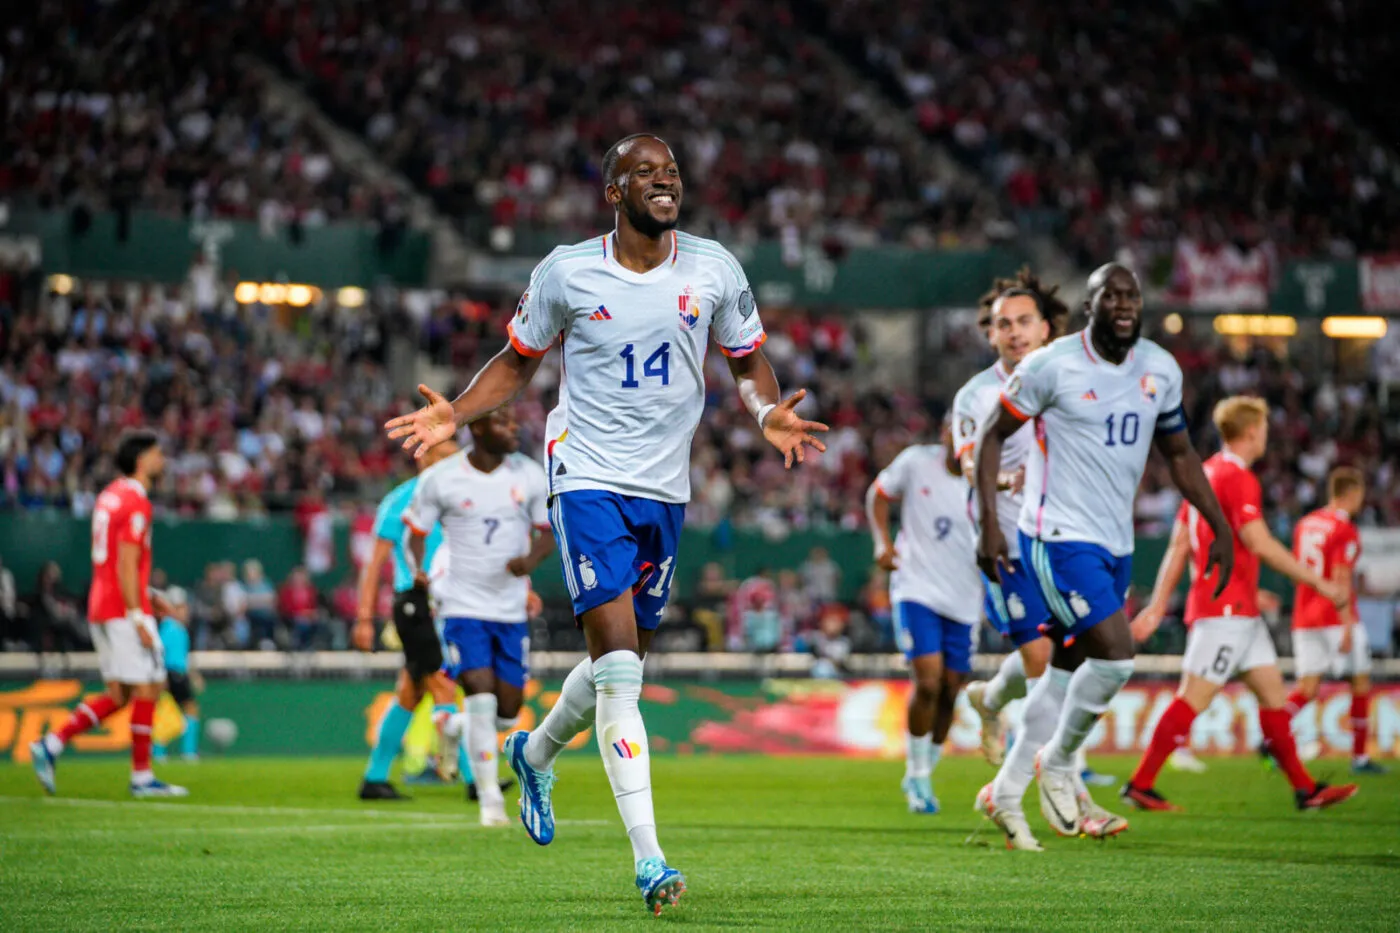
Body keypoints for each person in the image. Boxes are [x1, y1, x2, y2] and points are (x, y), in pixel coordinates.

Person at [385, 133, 826, 915]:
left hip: (666, 489)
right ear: (613, 191)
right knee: (623, 673)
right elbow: (518, 361)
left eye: (672, 172)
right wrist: (455, 409)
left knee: (620, 664)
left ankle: (534, 749)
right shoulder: (567, 270)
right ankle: (651, 860)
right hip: (585, 476)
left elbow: (748, 359)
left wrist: (765, 413)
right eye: (645, 173)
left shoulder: (716, 267)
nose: (665, 182)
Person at [973, 263, 1233, 850]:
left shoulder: (1160, 370)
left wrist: (1217, 522)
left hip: (1115, 543)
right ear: (1091, 305)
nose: (1122, 303)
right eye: (1109, 294)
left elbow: (1181, 453)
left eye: (1131, 295)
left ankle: (1005, 791)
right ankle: (1060, 763)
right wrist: (989, 524)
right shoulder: (1052, 365)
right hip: (1056, 537)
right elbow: (991, 434)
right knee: (1116, 656)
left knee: (1063, 674)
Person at [1123, 398, 1358, 811]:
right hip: (1224, 612)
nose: (1266, 435)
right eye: (1264, 428)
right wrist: (1321, 584)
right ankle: (1141, 783)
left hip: (1238, 611)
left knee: (1273, 697)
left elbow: (1180, 544)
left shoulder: (1203, 473)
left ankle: (1305, 789)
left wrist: (1159, 604)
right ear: (1252, 432)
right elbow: (1259, 542)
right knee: (1193, 697)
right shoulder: (1237, 477)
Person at [404, 407, 554, 826]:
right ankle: (490, 800)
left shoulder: (527, 475)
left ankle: (452, 727)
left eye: (513, 421)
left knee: (507, 711)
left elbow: (548, 531)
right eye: (504, 422)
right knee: (483, 698)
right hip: (461, 605)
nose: (514, 427)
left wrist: (529, 563)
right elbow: (414, 533)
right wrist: (418, 569)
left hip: (508, 608)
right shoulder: (443, 477)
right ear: (478, 428)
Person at [30, 429, 188, 797]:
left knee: (119, 694)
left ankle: (52, 744)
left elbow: (116, 561)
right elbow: (127, 564)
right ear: (141, 460)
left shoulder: (108, 497)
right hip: (122, 608)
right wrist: (139, 614)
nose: (161, 460)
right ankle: (142, 777)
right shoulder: (137, 502)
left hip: (101, 604)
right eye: (157, 453)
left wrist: (151, 595)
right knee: (151, 685)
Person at [954, 270, 1068, 768]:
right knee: (1043, 658)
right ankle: (1056, 772)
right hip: (1006, 544)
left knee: (1064, 657)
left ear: (1046, 328)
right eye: (1005, 324)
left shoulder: (1071, 384)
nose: (1015, 332)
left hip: (1065, 539)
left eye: (1025, 321)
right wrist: (1005, 480)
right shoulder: (976, 396)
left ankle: (991, 699)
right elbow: (967, 461)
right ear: (991, 333)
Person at [867, 423, 982, 814]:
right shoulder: (916, 462)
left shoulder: (986, 479)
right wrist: (882, 542)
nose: (957, 437)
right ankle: (916, 774)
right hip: (915, 588)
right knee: (929, 683)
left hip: (966, 597)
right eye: (954, 427)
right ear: (945, 432)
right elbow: (878, 495)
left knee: (952, 688)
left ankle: (925, 770)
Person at [352, 439, 463, 801]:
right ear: (424, 457)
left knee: (409, 694)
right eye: (445, 456)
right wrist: (364, 618)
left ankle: (374, 777)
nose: (453, 463)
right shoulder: (402, 500)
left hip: (443, 604)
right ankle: (477, 778)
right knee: (443, 685)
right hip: (414, 606)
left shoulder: (455, 498)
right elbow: (374, 565)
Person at [1285, 466, 1385, 774]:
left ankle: (1272, 734)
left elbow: (1296, 570)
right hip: (1334, 614)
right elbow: (1341, 578)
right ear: (1351, 494)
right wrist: (1346, 624)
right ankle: (1360, 757)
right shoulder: (1345, 530)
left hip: (1304, 615)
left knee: (1308, 687)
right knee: (1360, 680)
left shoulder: (1305, 523)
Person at [154, 586, 202, 762]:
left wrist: (194, 675)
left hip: (176, 673)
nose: (186, 612)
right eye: (182, 608)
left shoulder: (177, 629)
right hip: (172, 674)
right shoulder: (170, 628)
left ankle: (160, 753)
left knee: (166, 712)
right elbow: (160, 652)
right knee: (186, 710)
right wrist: (161, 676)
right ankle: (187, 752)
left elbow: (183, 656)